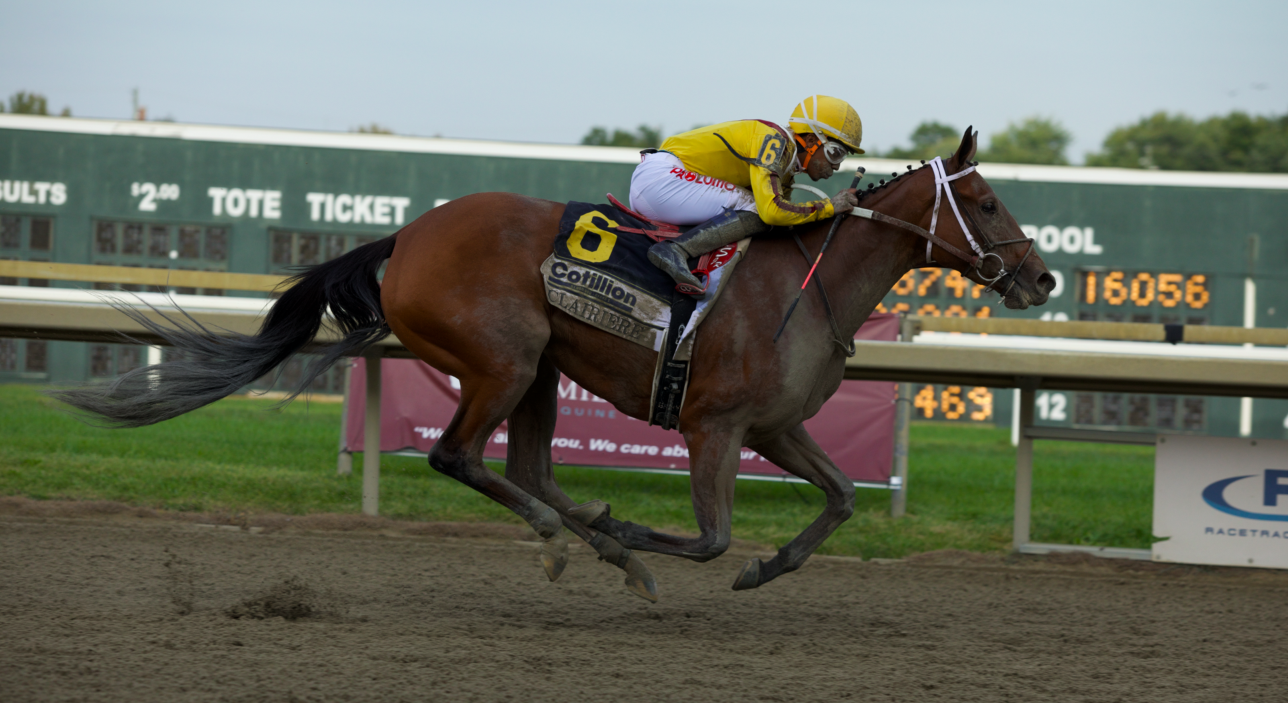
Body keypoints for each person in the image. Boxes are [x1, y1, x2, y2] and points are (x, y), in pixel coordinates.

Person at [629, 95, 864, 291]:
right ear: (811, 139)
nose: (836, 166)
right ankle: (674, 250)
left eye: (842, 158)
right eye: (835, 153)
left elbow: (783, 223)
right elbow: (772, 213)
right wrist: (829, 207)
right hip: (663, 179)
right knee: (758, 209)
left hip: (664, 186)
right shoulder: (775, 140)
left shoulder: (786, 168)